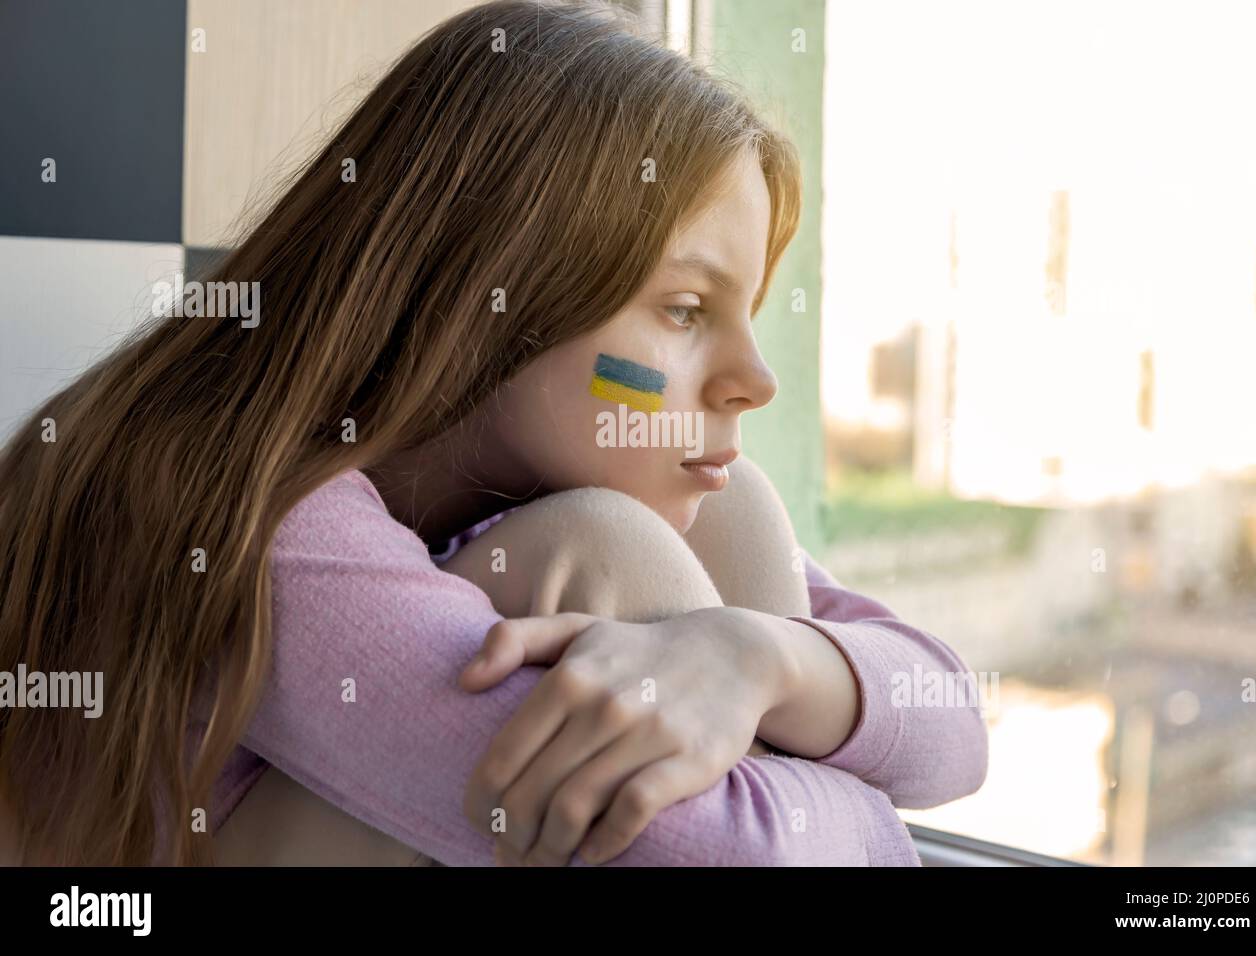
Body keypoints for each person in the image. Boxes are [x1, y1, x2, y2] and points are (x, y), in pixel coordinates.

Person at [0, 0, 986, 867]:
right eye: (686, 309)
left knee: (737, 516)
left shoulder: (501, 481)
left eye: (748, 314)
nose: (755, 380)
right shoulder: (263, 515)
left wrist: (761, 660)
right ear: (490, 296)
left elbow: (954, 720)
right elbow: (732, 853)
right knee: (610, 549)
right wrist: (850, 797)